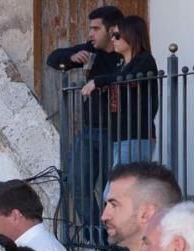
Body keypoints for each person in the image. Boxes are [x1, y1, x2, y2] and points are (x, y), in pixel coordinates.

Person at [47, 5, 124, 235]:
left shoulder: (126, 53)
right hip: (90, 130)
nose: (90, 34)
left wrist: (100, 81)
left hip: (118, 133)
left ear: (112, 31)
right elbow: (53, 58)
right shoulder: (92, 49)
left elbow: (131, 74)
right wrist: (70, 57)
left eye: (95, 28)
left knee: (115, 193)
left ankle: (115, 241)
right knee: (77, 184)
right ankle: (95, 236)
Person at [83, 15, 158, 165]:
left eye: (117, 36)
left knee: (119, 187)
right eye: (112, 36)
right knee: (121, 186)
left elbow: (127, 78)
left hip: (136, 135)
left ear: (131, 35)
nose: (113, 40)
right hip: (119, 136)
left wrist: (98, 82)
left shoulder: (144, 60)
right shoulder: (121, 65)